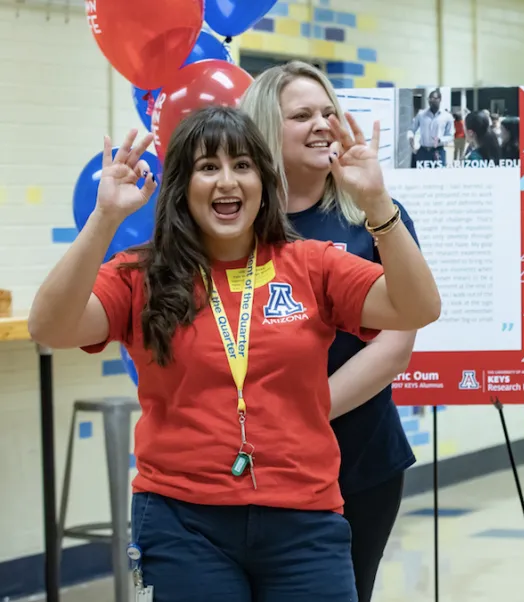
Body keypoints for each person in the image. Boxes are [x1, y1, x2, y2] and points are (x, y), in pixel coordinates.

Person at [26, 105, 440, 601]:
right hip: (183, 522)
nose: (227, 181)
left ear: (264, 183)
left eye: (243, 165)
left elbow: (418, 306)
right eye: (208, 167)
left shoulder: (311, 264)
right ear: (183, 186)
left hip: (304, 519)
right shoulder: (145, 274)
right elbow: (49, 325)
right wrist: (104, 217)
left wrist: (377, 205)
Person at [241, 61, 421, 602]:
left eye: (328, 112)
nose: (322, 124)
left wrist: (301, 411)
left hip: (358, 460)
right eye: (301, 115)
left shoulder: (375, 218)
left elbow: (396, 343)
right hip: (252, 463)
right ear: (265, 129)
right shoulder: (233, 221)